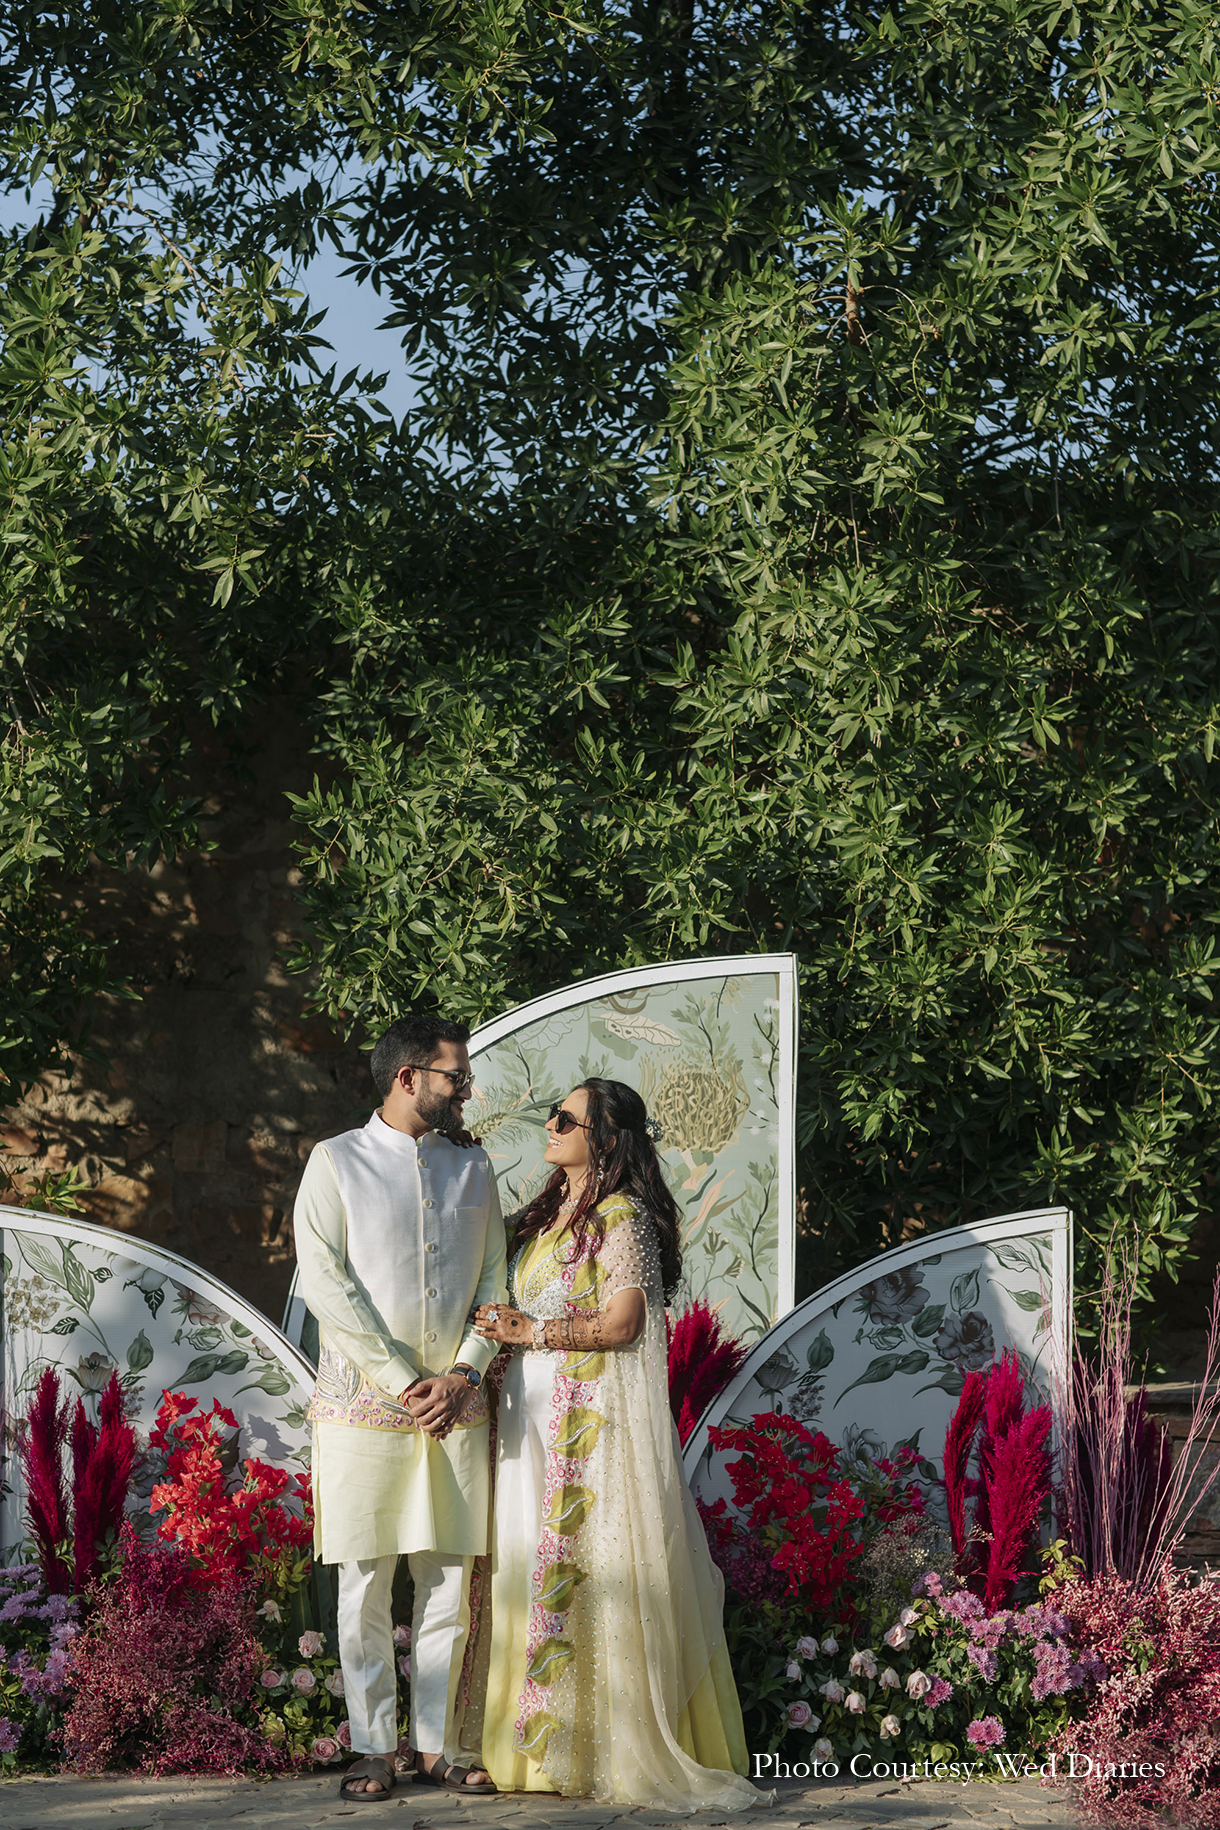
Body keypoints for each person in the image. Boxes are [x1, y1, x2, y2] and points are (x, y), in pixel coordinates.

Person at [472, 1077, 760, 1812]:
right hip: (528, 1416)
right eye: (552, 1113)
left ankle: (584, 1748)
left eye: (565, 1117)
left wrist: (528, 1332)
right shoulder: (550, 1215)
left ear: (605, 1138)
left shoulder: (621, 1217)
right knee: (524, 1567)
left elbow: (624, 1323)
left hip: (583, 1424)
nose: (550, 1123)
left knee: (581, 1567)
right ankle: (525, 1745)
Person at [293, 1013, 507, 1802]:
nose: (465, 1089)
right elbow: (326, 1284)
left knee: (450, 1580)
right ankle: (374, 1748)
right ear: (409, 1077)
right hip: (362, 1411)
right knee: (366, 1582)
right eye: (455, 1075)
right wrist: (396, 1379)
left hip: (456, 1406)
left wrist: (463, 1374)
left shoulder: (474, 1168)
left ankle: (444, 1746)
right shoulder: (336, 1162)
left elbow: (495, 1284)